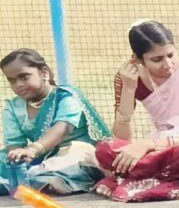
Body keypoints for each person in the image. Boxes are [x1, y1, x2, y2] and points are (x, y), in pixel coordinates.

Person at [96, 22, 179, 202]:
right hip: (159, 152)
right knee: (105, 148)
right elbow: (123, 138)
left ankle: (133, 180)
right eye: (157, 59)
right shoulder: (128, 77)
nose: (167, 64)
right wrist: (129, 89)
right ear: (137, 60)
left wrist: (148, 144)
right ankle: (158, 180)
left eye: (171, 55)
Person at [0, 48, 105, 196]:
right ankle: (27, 180)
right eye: (12, 80)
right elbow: (14, 142)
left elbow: (63, 127)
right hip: (38, 157)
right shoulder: (13, 106)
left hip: (72, 154)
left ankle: (35, 181)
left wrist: (33, 150)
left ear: (44, 73)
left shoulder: (66, 97)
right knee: (5, 159)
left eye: (24, 77)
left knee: (71, 158)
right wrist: (17, 157)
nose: (18, 84)